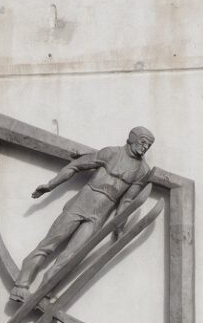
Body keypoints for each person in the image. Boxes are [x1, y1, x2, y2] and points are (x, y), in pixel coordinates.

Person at [10, 126, 156, 301]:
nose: (145, 147)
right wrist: (50, 185)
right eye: (143, 142)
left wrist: (119, 225)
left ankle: (44, 292)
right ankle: (21, 285)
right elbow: (76, 165)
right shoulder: (110, 153)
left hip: (100, 213)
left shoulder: (142, 171)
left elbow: (127, 201)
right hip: (82, 201)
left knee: (71, 256)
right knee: (49, 244)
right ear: (132, 139)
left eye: (148, 145)